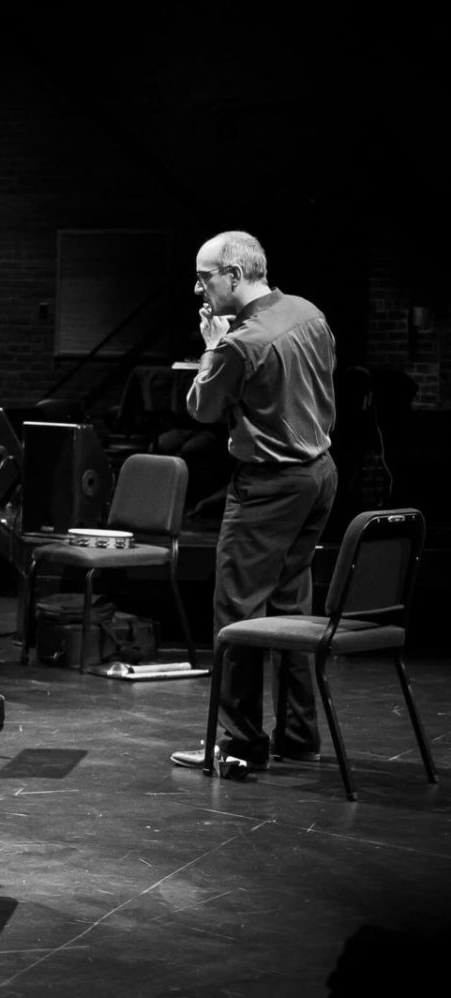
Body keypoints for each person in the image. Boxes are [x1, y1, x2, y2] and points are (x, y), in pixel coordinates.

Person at [171, 231, 337, 774]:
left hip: (268, 485)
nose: (198, 288)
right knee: (290, 609)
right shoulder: (309, 312)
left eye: (205, 277)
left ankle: (240, 743)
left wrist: (212, 346)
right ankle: (298, 736)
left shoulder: (239, 343)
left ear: (235, 276)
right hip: (319, 475)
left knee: (237, 612)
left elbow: (201, 406)